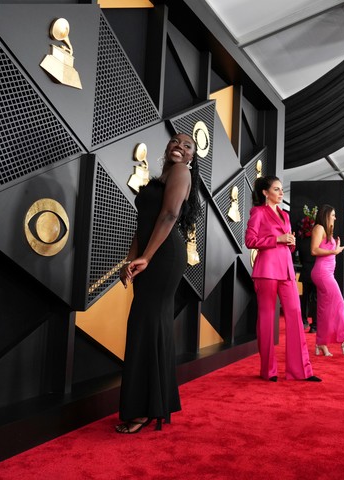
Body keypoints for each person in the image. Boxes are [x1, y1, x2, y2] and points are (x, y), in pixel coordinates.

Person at [116, 133, 200, 434]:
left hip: (164, 256)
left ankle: (143, 409)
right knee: (147, 325)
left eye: (187, 146)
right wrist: (131, 258)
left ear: (191, 157)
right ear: (167, 147)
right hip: (153, 253)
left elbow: (169, 215)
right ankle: (152, 404)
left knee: (146, 324)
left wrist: (147, 258)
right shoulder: (160, 177)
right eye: (176, 141)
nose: (180, 146)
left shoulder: (180, 172)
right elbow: (145, 222)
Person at [245, 176, 321, 382]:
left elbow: (287, 245)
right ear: (265, 192)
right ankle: (268, 371)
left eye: (281, 189)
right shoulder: (258, 212)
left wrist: (291, 242)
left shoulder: (285, 216)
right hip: (266, 270)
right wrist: (277, 239)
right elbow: (250, 241)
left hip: (286, 270)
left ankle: (301, 370)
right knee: (267, 319)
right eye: (276, 189)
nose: (281, 193)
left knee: (296, 314)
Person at [311, 204, 344, 356]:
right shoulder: (319, 228)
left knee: (323, 310)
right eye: (332, 215)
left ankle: (321, 343)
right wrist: (334, 250)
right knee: (339, 304)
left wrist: (335, 247)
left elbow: (326, 250)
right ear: (326, 215)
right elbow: (314, 250)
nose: (335, 217)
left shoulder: (328, 231)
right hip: (322, 273)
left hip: (328, 273)